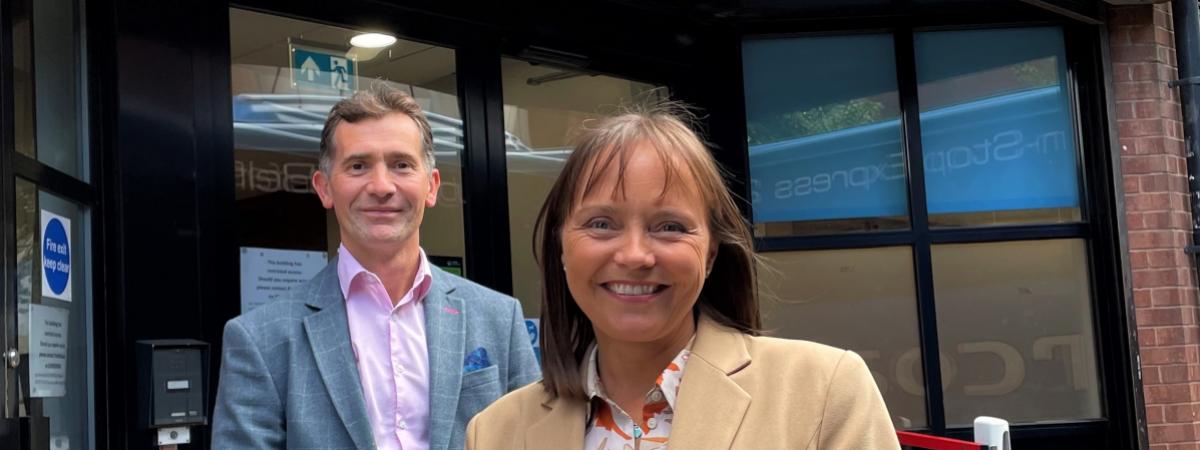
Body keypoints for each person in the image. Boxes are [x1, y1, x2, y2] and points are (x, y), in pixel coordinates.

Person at [465, 102, 899, 450]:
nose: (635, 255)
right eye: (601, 223)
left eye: (669, 226)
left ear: (710, 254)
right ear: (561, 246)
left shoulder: (823, 392)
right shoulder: (496, 433)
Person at [212, 84, 540, 450]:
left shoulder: (499, 319)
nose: (382, 186)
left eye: (401, 165)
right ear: (324, 189)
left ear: (431, 187)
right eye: (358, 166)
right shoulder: (260, 339)